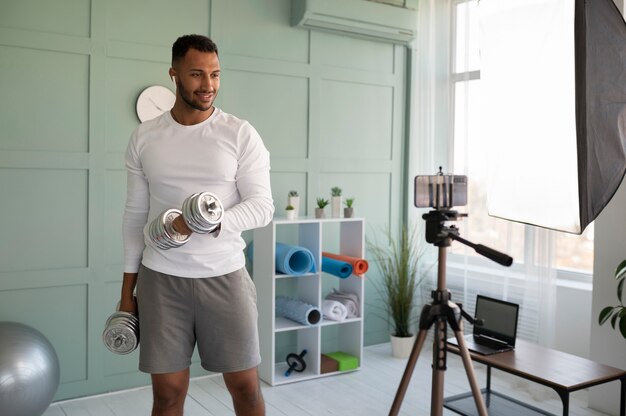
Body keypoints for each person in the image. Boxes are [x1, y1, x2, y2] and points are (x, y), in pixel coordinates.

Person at [119, 34, 273, 416]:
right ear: (174, 74)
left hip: (224, 276)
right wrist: (128, 294)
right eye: (196, 74)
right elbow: (135, 218)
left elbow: (262, 207)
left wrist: (207, 222)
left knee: (245, 388)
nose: (208, 86)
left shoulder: (239, 133)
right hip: (160, 280)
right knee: (168, 394)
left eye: (215, 74)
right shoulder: (144, 137)